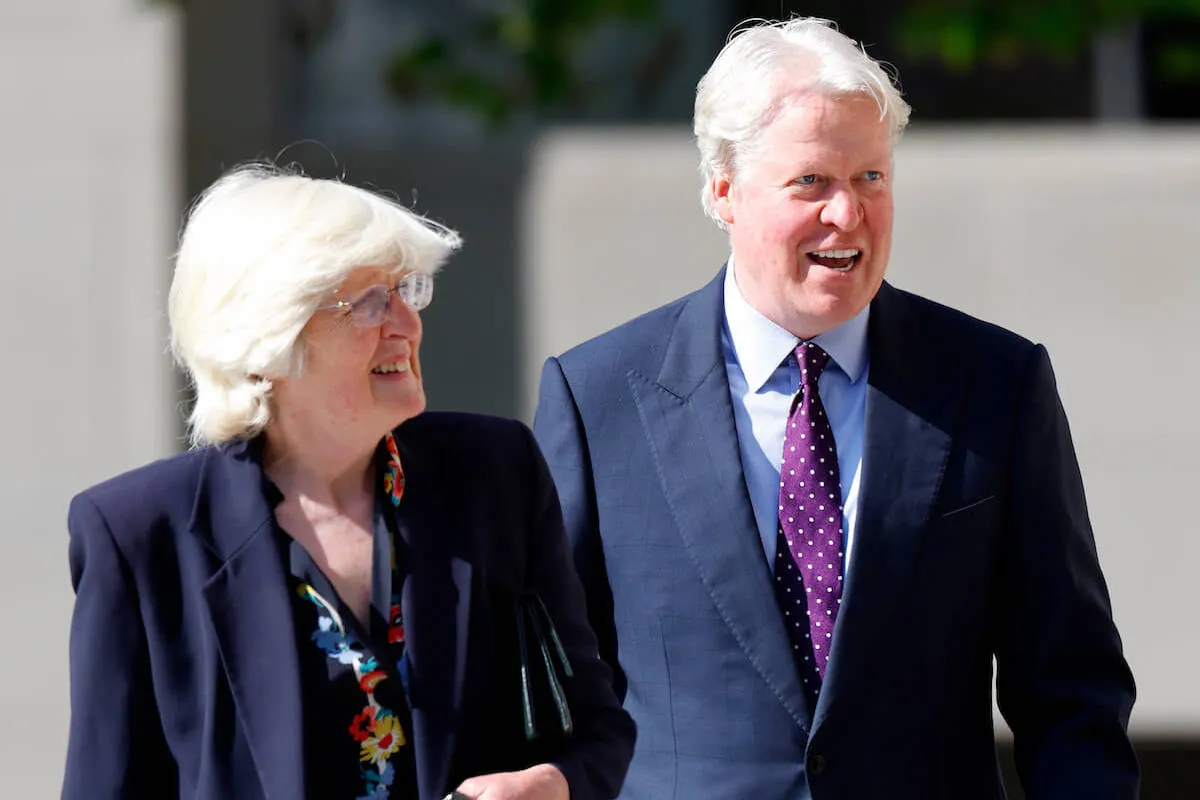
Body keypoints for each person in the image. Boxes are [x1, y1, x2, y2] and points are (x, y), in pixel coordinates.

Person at [533, 17, 1137, 799]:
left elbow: (1070, 689)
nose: (848, 216)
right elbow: (547, 693)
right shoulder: (599, 398)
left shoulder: (994, 383)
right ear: (723, 189)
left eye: (872, 179)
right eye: (812, 182)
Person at [63, 164, 635, 800]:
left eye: (405, 291)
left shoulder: (495, 473)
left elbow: (597, 724)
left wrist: (553, 785)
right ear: (269, 338)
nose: (406, 324)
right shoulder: (139, 534)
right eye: (368, 302)